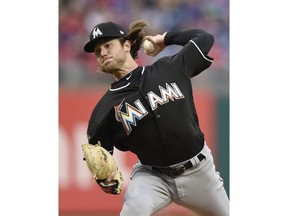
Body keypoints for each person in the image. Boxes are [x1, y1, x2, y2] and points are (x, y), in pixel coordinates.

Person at [83, 20, 229, 216]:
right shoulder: (105, 109)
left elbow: (204, 39)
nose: (102, 53)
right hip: (153, 177)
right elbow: (100, 156)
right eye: (98, 51)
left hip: (199, 172)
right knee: (133, 210)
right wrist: (105, 181)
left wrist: (167, 39)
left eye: (108, 45)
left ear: (126, 45)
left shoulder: (170, 68)